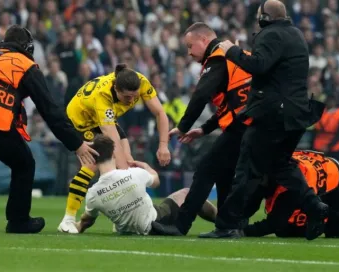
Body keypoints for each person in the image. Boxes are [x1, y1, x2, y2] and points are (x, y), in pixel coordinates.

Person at [0, 25, 97, 233]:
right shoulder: (26, 65)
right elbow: (50, 110)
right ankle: (18, 220)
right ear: (28, 47)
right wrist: (76, 144)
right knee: (24, 164)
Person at [201, 0, 327, 240]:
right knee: (281, 166)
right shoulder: (296, 34)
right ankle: (313, 205)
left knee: (245, 168)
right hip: (296, 115)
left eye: (260, 15)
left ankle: (227, 225)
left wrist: (232, 51)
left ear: (266, 18)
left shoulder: (270, 35)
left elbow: (259, 65)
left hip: (272, 115)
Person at [150, 22, 253, 237]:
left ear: (204, 40)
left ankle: (181, 224)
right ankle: (230, 225)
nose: (188, 53)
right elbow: (231, 104)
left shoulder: (217, 56)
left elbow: (201, 95)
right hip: (250, 124)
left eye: (190, 46)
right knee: (225, 174)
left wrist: (183, 126)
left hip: (241, 127)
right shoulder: (235, 55)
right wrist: (204, 129)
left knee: (206, 170)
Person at [58, 64, 171, 233]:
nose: (132, 101)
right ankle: (67, 219)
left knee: (127, 157)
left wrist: (163, 145)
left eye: (135, 97)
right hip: (80, 122)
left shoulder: (141, 81)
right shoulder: (103, 96)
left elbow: (160, 113)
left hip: (103, 118)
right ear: (116, 89)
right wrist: (126, 179)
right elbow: (113, 139)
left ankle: (122, 216)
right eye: (127, 97)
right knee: (91, 164)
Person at [61, 135, 216, 235]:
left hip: (128, 230)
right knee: (187, 193)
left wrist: (79, 226)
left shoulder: (93, 194)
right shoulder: (133, 173)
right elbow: (156, 182)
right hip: (157, 223)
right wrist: (146, 167)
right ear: (114, 154)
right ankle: (224, 222)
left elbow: (88, 220)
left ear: (93, 160)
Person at [243, 150, 339, 239]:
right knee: (288, 230)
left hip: (334, 185)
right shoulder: (279, 167)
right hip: (318, 179)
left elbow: (272, 224)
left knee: (337, 231)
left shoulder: (289, 186)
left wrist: (240, 231)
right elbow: (253, 198)